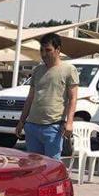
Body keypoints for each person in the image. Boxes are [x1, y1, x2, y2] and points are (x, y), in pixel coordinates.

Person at [15, 32, 78, 160]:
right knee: (33, 165)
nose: (44, 54)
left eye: (48, 50)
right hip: (32, 125)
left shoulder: (69, 70)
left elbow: (73, 98)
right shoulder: (38, 70)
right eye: (41, 50)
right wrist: (21, 121)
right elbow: (30, 98)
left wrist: (69, 122)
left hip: (53, 126)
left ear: (58, 50)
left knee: (52, 166)